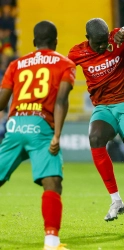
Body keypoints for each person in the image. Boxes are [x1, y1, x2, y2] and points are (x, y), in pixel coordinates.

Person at [68, 18, 124, 232]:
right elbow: (63, 69)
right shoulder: (77, 52)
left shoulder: (117, 37)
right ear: (87, 39)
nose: (103, 46)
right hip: (104, 108)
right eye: (98, 43)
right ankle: (116, 200)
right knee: (95, 138)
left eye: (105, 41)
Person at [0, 21, 76, 250]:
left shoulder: (16, 64)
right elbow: (61, 100)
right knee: (52, 182)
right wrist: (57, 135)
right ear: (55, 41)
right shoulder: (65, 64)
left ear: (34, 43)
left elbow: (2, 102)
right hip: (40, 126)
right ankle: (51, 242)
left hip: (14, 126)